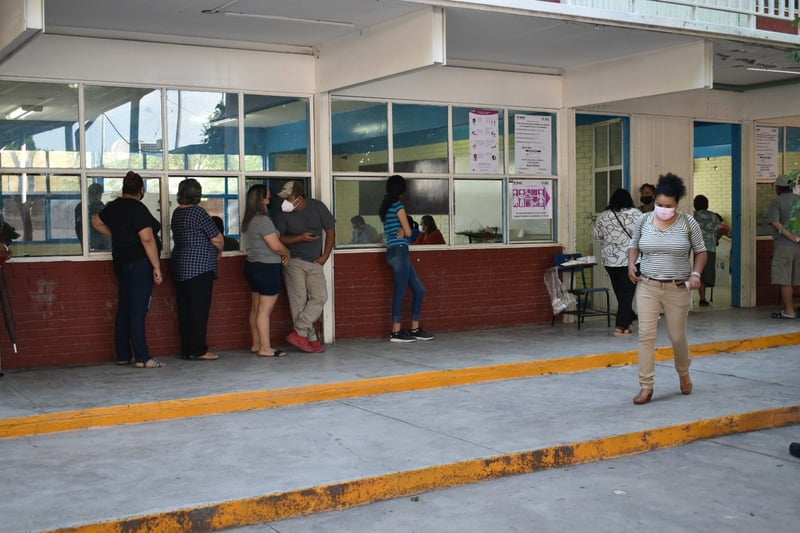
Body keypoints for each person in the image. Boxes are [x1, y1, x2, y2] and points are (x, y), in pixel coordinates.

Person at [627, 173, 707, 404]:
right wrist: (631, 264)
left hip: (677, 287)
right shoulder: (643, 221)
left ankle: (683, 372)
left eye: (668, 206)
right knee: (646, 336)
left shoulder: (688, 223)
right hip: (648, 285)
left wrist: (696, 274)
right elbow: (634, 246)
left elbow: (701, 251)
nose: (663, 209)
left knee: (676, 335)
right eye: (659, 204)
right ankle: (646, 386)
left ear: (677, 203)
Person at [92, 171, 165, 368]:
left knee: (125, 308)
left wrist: (117, 236)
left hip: (121, 263)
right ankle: (142, 357)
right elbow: (147, 239)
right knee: (138, 310)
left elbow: (95, 221)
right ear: (141, 190)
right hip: (140, 263)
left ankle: (123, 354)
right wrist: (157, 266)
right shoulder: (138, 209)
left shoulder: (113, 207)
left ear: (124, 189)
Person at [273, 180, 335, 353]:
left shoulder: (317, 207)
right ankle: (311, 338)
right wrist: (299, 238)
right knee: (298, 302)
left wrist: (325, 256)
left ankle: (299, 333)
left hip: (315, 261)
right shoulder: (281, 213)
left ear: (299, 198)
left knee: (320, 296)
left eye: (289, 198)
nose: (285, 201)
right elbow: (277, 238)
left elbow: (330, 230)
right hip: (293, 261)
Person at [170, 179, 223, 361]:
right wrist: (220, 252)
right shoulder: (198, 212)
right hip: (199, 267)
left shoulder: (177, 213)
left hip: (180, 266)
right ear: (197, 194)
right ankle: (199, 350)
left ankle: (187, 349)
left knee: (185, 311)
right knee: (199, 310)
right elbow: (216, 238)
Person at [379, 175, 434, 343]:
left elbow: (399, 230)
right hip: (400, 250)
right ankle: (395, 331)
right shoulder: (398, 207)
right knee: (401, 291)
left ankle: (415, 329)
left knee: (419, 290)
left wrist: (404, 230)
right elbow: (409, 233)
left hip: (392, 251)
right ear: (401, 190)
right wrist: (407, 229)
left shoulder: (385, 208)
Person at [241, 185, 291, 357]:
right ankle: (265, 348)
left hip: (253, 266)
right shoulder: (263, 220)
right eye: (268, 198)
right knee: (265, 310)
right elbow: (276, 246)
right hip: (267, 267)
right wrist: (287, 253)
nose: (269, 201)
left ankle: (257, 344)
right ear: (261, 200)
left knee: (256, 308)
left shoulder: (249, 219)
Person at [593, 188, 641, 336]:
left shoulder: (603, 216)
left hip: (610, 261)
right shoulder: (637, 214)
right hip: (632, 260)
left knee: (621, 293)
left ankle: (628, 321)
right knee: (626, 293)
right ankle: (621, 325)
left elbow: (597, 237)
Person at [767, 174, 800, 319]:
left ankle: (789, 311)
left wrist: (789, 235)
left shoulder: (776, 202)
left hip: (784, 246)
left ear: (779, 189)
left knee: (784, 279)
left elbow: (775, 222)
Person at [692, 195, 724, 307]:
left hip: (695, 249)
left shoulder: (693, 216)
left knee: (696, 273)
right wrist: (715, 240)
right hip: (710, 248)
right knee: (705, 274)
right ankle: (702, 298)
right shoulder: (713, 216)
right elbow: (721, 229)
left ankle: (692, 298)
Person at [75, 183, 110, 251]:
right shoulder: (96, 206)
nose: (100, 196)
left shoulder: (80, 206)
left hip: (91, 242)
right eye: (100, 194)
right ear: (97, 194)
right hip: (96, 242)